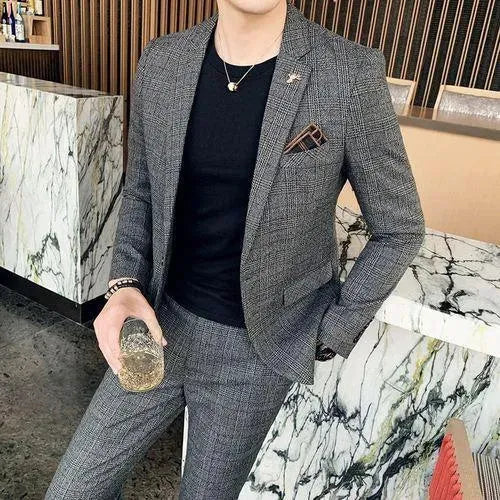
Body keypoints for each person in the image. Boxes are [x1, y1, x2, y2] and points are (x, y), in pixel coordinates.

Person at [46, 0, 425, 498]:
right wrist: (125, 286)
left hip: (254, 355)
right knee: (73, 489)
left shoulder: (347, 73)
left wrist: (329, 332)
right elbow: (141, 190)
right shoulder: (163, 61)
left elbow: (400, 228)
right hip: (160, 323)